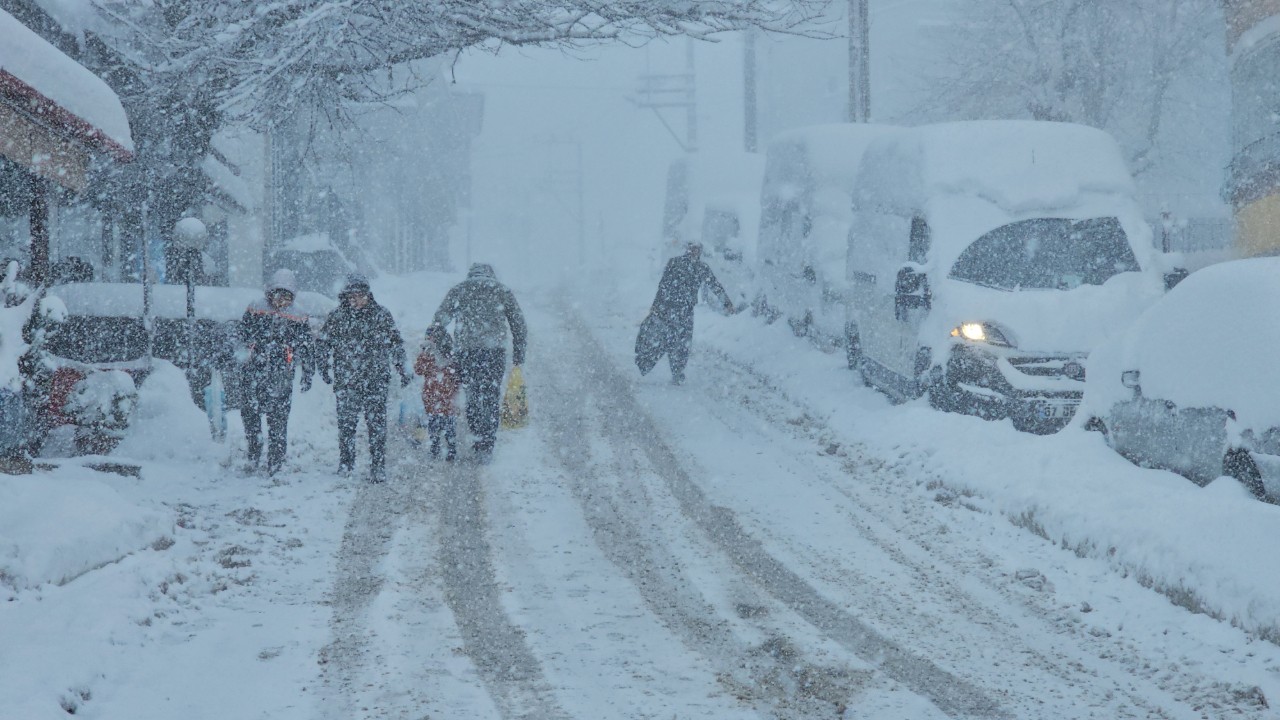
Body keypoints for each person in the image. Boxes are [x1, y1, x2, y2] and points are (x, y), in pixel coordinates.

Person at [318, 275, 410, 482]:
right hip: (347, 380)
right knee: (346, 425)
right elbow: (323, 343)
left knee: (376, 425)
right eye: (352, 296)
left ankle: (378, 466)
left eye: (360, 295)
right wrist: (323, 366)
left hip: (375, 379)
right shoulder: (337, 317)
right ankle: (346, 463)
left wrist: (402, 368)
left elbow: (395, 344)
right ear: (346, 296)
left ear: (368, 295)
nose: (356, 300)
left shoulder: (381, 315)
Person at [432, 263, 527, 463]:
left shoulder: (459, 290)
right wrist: (518, 354)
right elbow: (518, 323)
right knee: (491, 396)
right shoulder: (501, 290)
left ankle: (477, 438)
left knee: (473, 395)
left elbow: (439, 322)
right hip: (495, 352)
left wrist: (447, 348)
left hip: (467, 352)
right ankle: (487, 444)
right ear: (491, 274)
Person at [239, 269, 315, 476]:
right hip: (253, 371)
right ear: (269, 292)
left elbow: (307, 347)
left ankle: (275, 460)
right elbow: (241, 335)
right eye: (277, 294)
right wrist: (242, 356)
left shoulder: (298, 316)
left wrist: (308, 372)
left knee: (279, 419)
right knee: (251, 416)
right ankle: (254, 454)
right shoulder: (256, 309)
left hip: (281, 374)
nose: (281, 300)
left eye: (286, 296)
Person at [646, 241, 735, 384]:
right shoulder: (675, 263)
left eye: (697, 249)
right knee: (672, 340)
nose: (694, 251)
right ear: (687, 249)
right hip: (670, 309)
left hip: (686, 311)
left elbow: (714, 285)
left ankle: (678, 371)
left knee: (684, 342)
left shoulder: (701, 268)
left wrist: (727, 303)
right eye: (692, 248)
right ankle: (675, 369)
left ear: (700, 251)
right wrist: (656, 305)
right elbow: (663, 285)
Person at [414, 323, 461, 461]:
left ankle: (438, 449)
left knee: (437, 425)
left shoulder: (432, 355)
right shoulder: (450, 355)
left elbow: (418, 369)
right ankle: (448, 450)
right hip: (443, 397)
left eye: (430, 337)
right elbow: (419, 370)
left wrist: (424, 354)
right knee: (446, 425)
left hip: (435, 396)